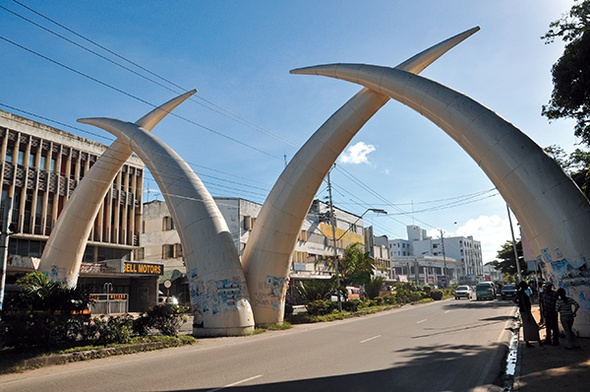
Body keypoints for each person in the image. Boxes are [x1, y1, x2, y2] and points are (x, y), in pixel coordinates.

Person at [515, 281, 542, 347]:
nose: (527, 286)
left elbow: (514, 300)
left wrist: (519, 304)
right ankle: (536, 341)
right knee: (533, 327)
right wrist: (528, 314)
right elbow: (524, 304)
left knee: (527, 327)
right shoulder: (523, 294)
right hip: (526, 312)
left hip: (523, 311)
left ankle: (528, 341)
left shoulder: (520, 293)